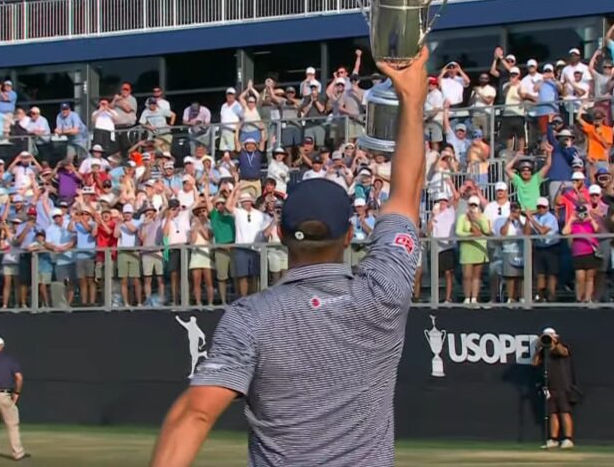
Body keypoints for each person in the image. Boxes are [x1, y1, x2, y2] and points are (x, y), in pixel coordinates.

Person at [151, 48, 427, 466]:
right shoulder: (383, 292)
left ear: (280, 235)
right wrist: (412, 98)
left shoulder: (251, 316)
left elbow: (195, 414)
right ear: (350, 235)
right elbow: (407, 191)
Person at [532, 328, 577, 450]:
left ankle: (568, 439)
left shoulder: (561, 348)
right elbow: (534, 363)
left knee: (564, 412)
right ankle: (553, 439)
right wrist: (538, 348)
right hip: (549, 387)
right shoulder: (543, 352)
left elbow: (563, 352)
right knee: (552, 413)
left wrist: (554, 343)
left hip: (562, 386)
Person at [0, 336, 25, 462]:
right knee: (12, 425)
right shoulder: (9, 360)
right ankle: (18, 453)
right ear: (1, 346)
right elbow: (19, 378)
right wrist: (16, 393)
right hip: (5, 395)